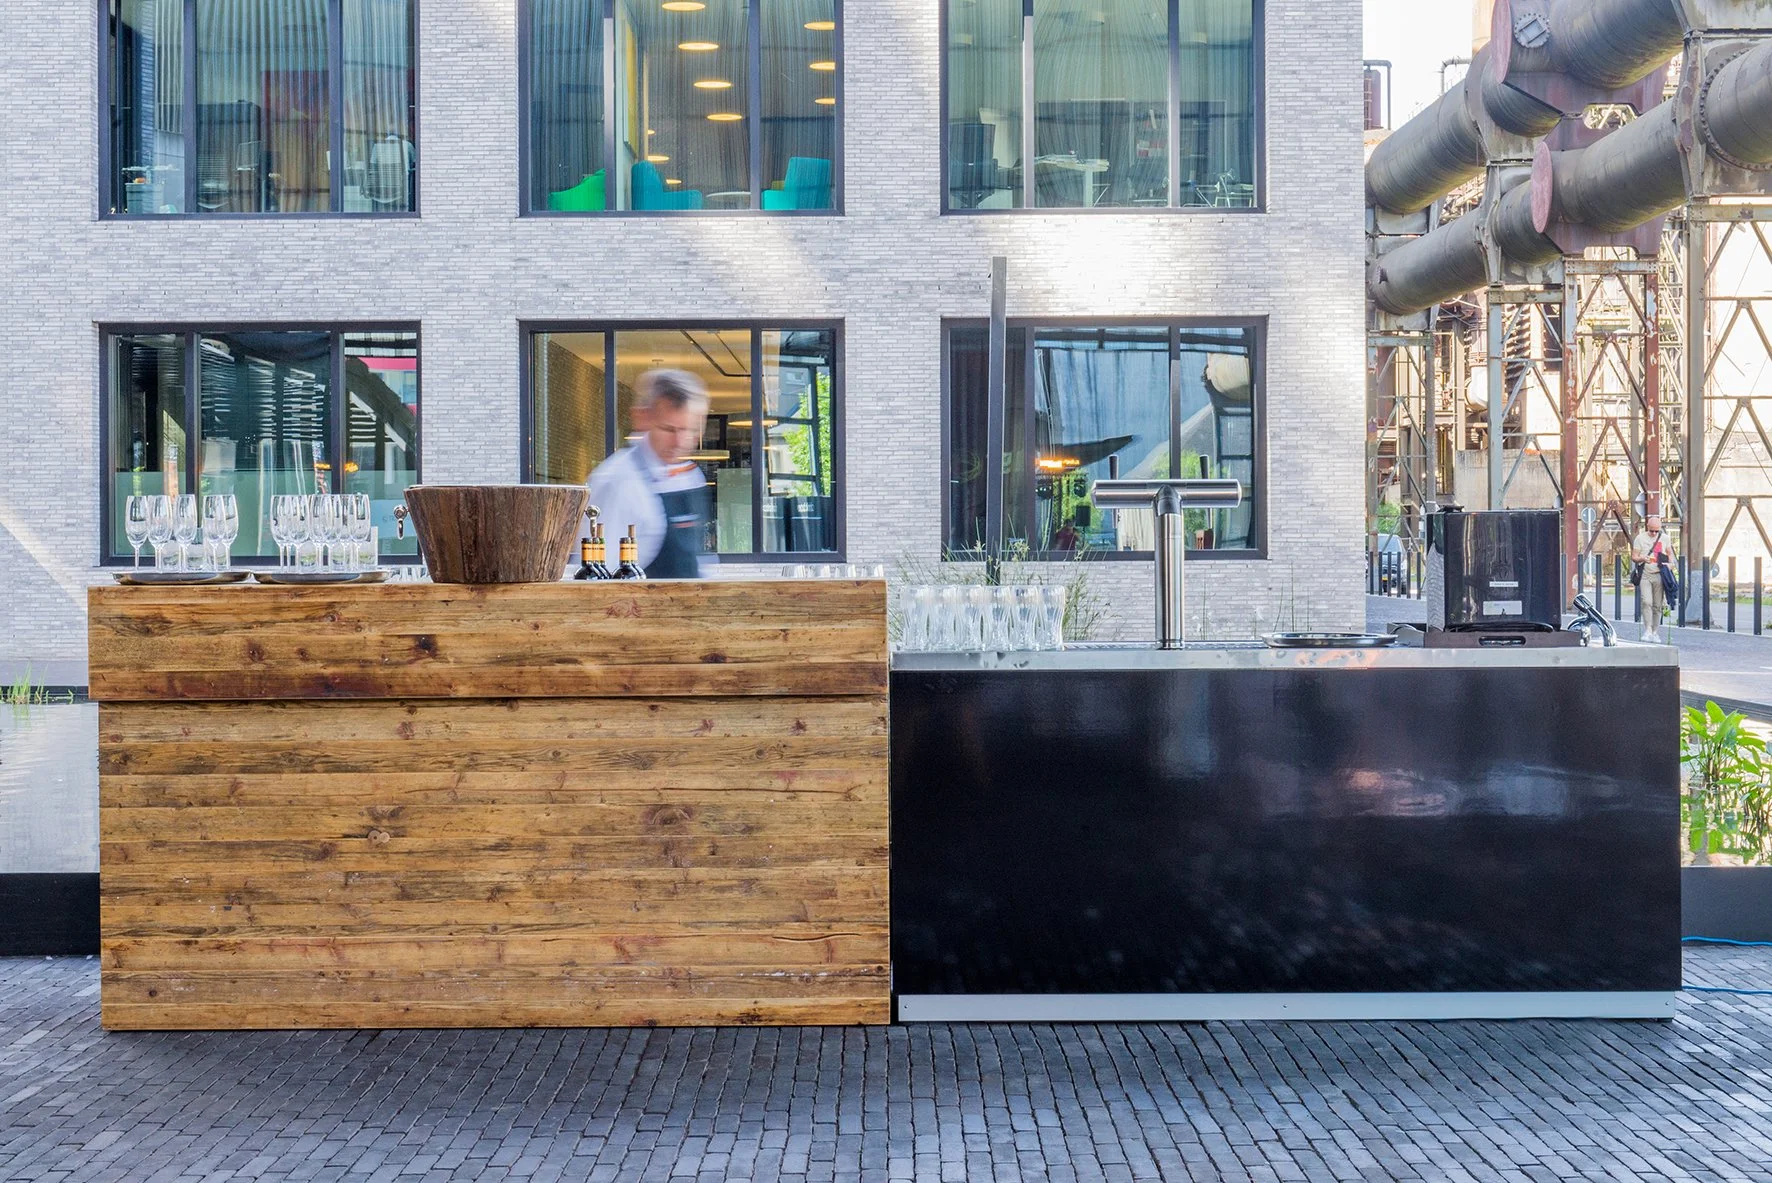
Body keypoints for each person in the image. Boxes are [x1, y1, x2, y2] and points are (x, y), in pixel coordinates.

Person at [586, 369, 717, 579]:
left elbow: (699, 563)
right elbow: (602, 576)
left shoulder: (692, 476)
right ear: (642, 418)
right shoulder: (618, 482)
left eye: (690, 430)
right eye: (669, 429)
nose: (680, 442)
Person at [1631, 513, 1674, 643]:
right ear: (1647, 527)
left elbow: (1669, 552)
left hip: (1660, 574)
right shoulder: (1640, 538)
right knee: (1646, 601)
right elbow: (1634, 556)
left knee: (1657, 604)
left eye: (1657, 531)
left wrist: (1670, 564)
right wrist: (1642, 558)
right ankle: (1647, 630)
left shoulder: (1665, 538)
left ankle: (1655, 632)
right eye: (1652, 531)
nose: (1654, 533)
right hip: (1645, 574)